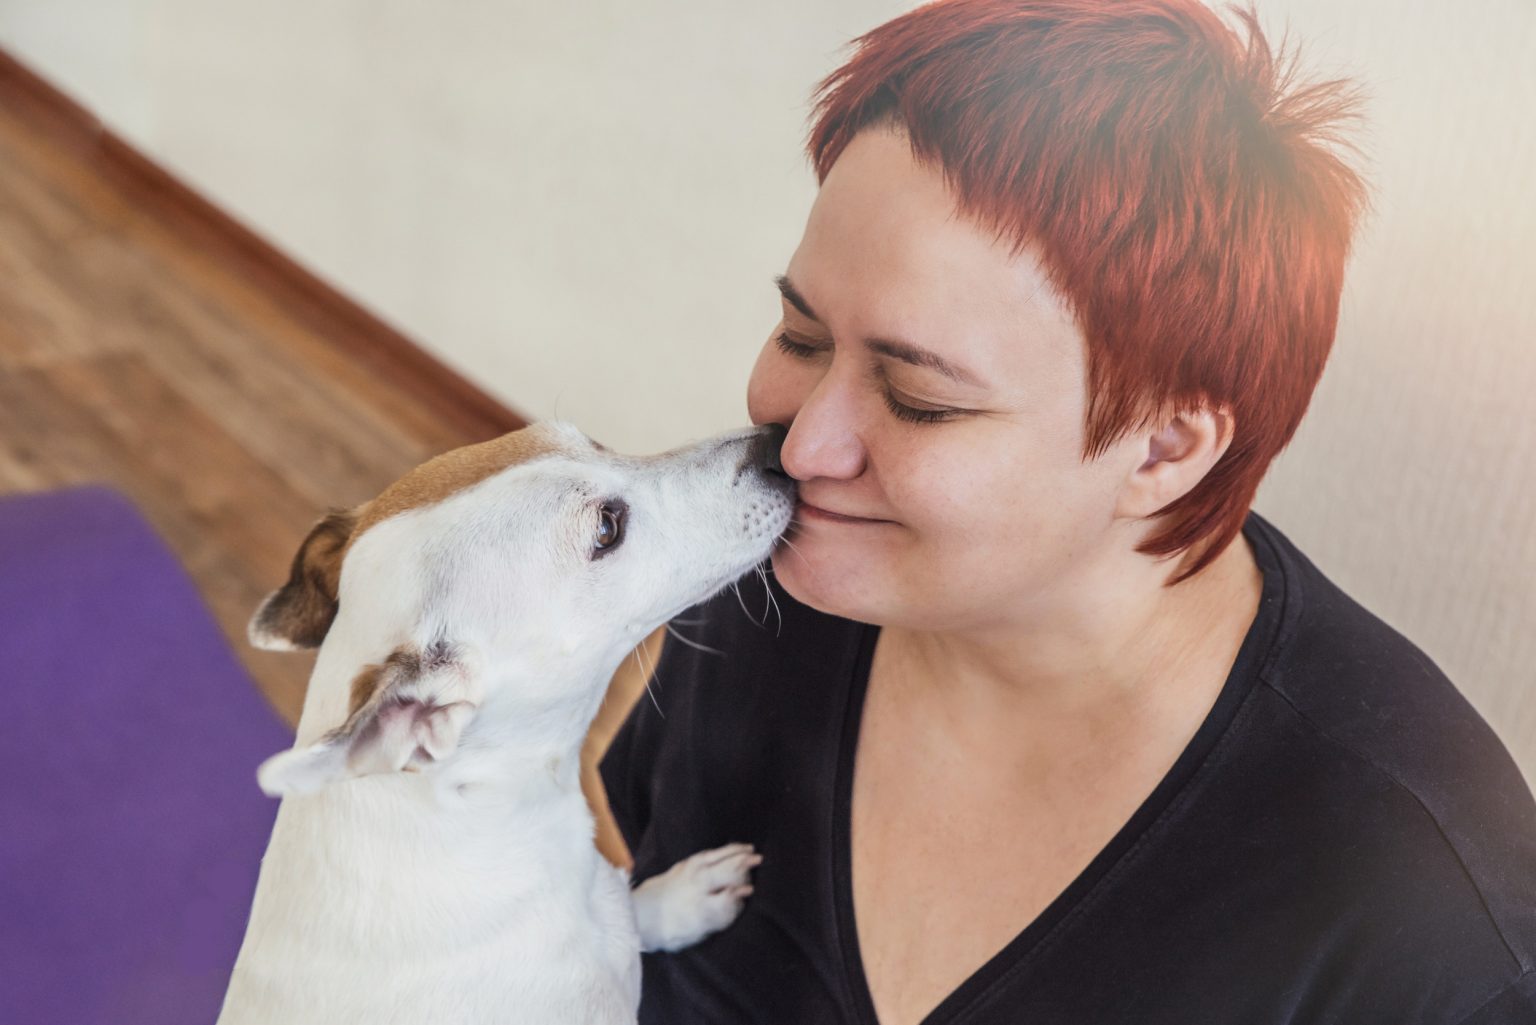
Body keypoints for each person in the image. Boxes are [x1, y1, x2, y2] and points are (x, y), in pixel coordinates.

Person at [597, 1, 1536, 1022]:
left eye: (921, 399)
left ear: (1166, 449)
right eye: (802, 335)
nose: (802, 447)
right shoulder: (766, 584)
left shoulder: (1426, 923)